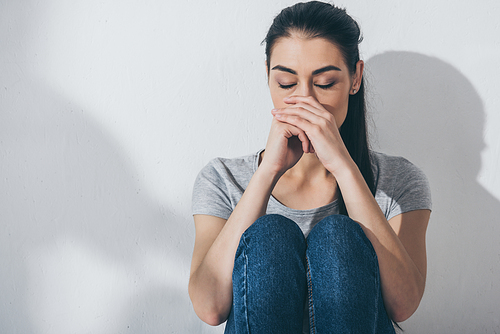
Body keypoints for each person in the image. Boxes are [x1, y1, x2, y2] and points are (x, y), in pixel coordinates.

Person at [188, 1, 432, 333]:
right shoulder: (223, 178)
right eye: (286, 83)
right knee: (269, 235)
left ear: (355, 78)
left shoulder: (399, 181)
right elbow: (209, 307)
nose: (306, 101)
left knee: (339, 235)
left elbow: (402, 305)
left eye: (325, 83)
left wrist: (345, 167)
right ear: (268, 78)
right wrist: (268, 172)